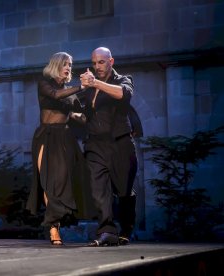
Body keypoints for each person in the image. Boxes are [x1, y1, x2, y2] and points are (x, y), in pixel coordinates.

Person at [80, 47, 138, 246]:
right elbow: (85, 114)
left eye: (101, 62)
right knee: (99, 191)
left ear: (111, 61)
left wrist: (96, 83)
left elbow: (123, 95)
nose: (97, 67)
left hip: (120, 143)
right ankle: (107, 231)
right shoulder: (88, 88)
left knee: (124, 191)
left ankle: (126, 228)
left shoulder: (123, 79)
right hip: (95, 145)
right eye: (94, 63)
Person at [26, 52, 86, 245]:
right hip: (45, 136)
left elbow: (78, 115)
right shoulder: (44, 83)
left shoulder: (70, 92)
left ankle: (54, 224)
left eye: (70, 64)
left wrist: (87, 116)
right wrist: (81, 87)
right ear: (56, 65)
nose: (68, 67)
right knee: (46, 180)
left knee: (62, 181)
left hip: (65, 138)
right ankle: (53, 228)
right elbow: (54, 95)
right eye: (65, 64)